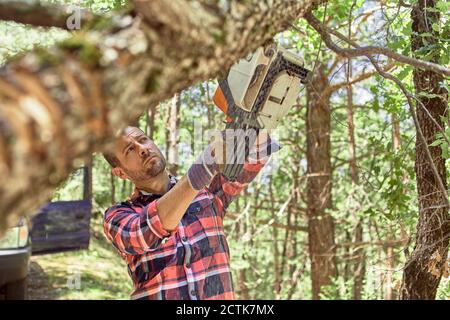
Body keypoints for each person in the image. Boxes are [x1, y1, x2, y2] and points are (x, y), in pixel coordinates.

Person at [102, 125, 279, 299]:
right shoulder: (118, 216)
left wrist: (250, 121)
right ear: (120, 173)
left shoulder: (209, 194)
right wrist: (202, 169)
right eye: (130, 149)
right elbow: (141, 234)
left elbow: (255, 154)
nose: (142, 149)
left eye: (143, 140)